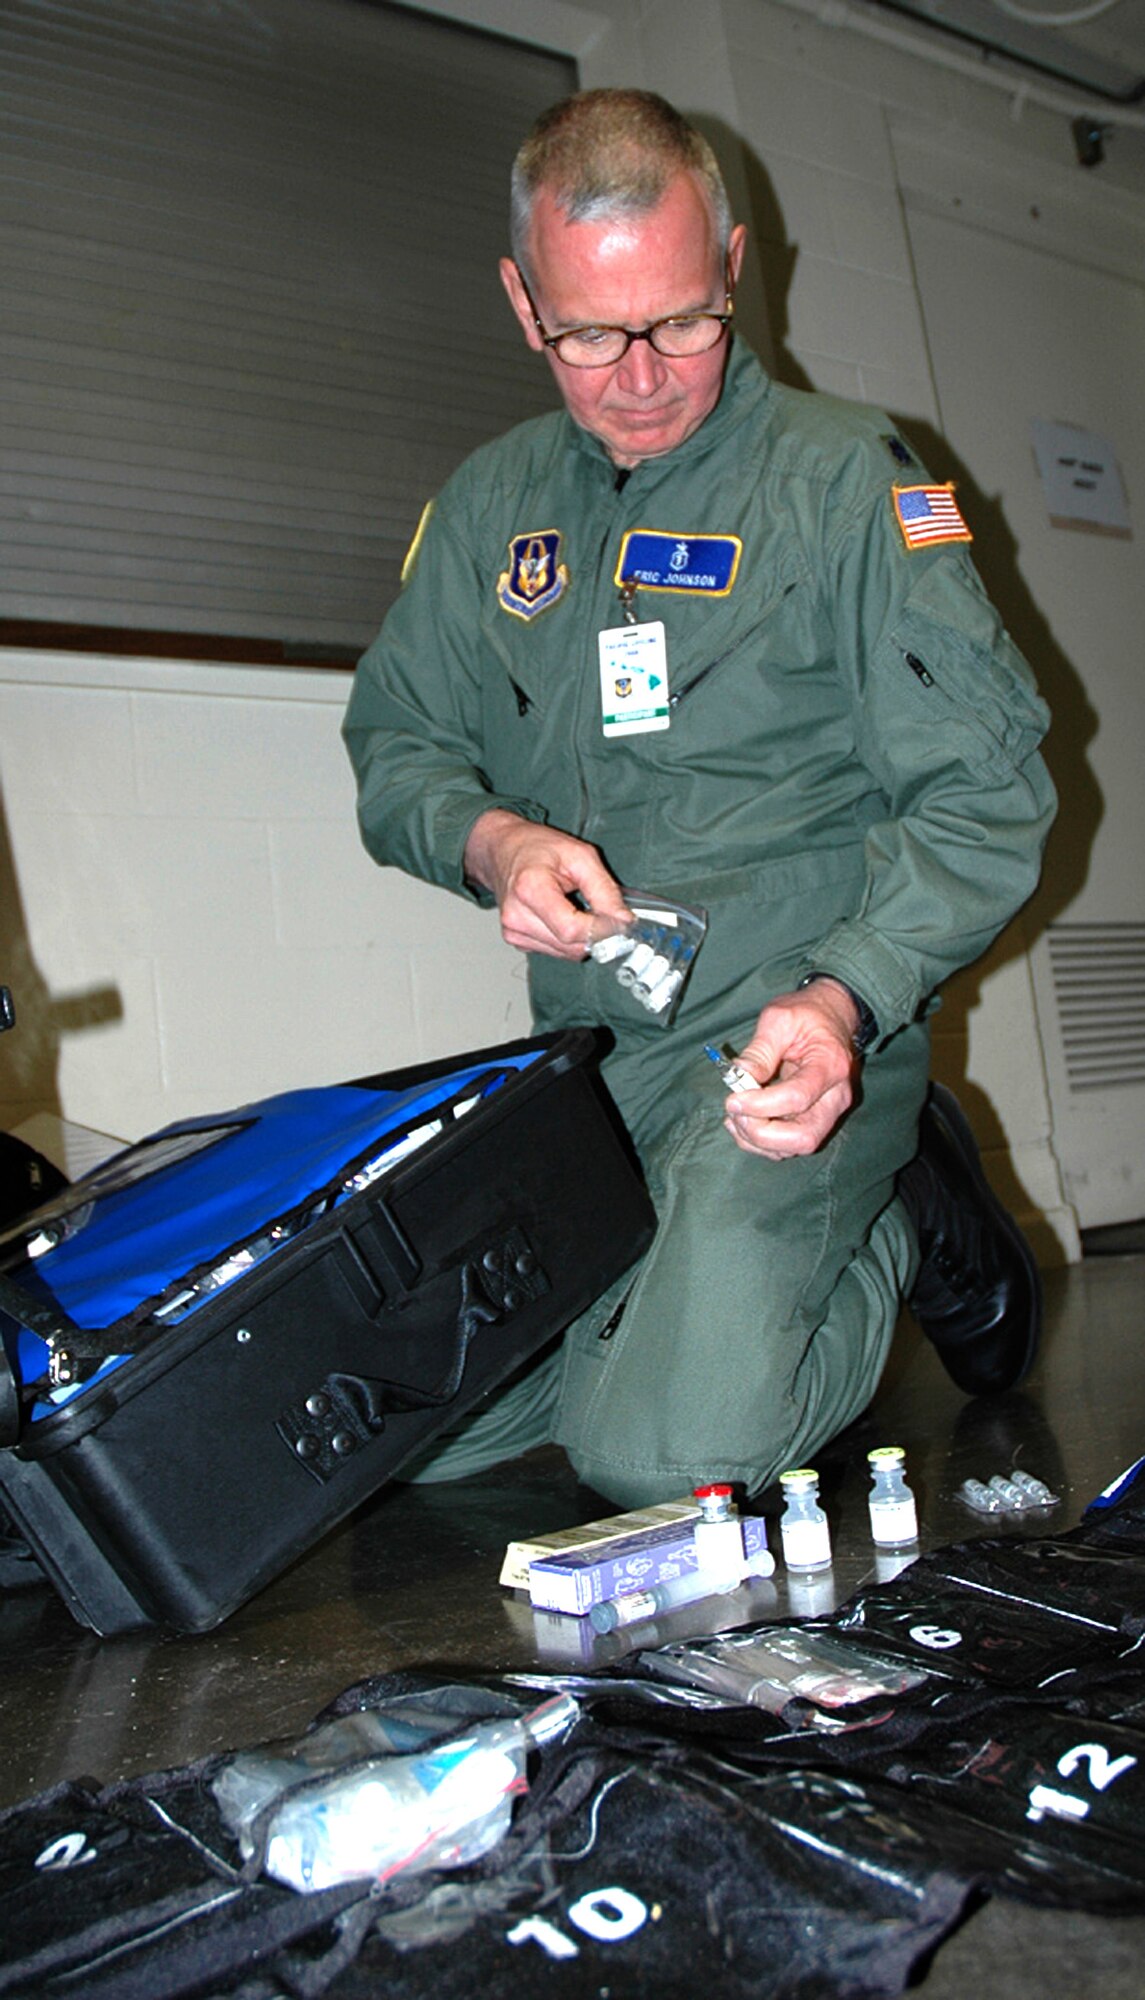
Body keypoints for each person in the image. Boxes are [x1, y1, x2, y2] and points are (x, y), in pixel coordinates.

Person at [342, 89, 1056, 1507]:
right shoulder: (487, 509)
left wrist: (846, 1000)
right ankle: (679, 1307)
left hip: (793, 1031)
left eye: (680, 321)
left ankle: (903, 1213)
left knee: (662, 1452)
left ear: (731, 262)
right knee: (398, 1438)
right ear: (520, 300)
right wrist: (495, 843)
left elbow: (987, 791)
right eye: (589, 333)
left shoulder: (851, 483)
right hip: (594, 1060)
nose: (643, 377)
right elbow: (395, 745)